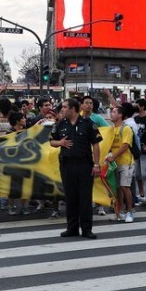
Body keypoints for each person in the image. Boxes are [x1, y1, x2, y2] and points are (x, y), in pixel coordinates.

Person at [50, 97, 102, 239]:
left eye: (65, 107)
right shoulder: (61, 124)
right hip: (67, 165)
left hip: (84, 165)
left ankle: (86, 229)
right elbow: (51, 142)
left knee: (85, 198)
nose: (62, 110)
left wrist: (96, 165)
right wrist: (60, 142)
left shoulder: (87, 124)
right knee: (70, 197)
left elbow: (96, 144)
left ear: (73, 109)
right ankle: (72, 228)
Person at [104, 103, 136, 223]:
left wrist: (113, 156)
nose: (111, 114)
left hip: (125, 162)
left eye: (114, 112)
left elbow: (125, 145)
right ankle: (119, 211)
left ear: (120, 115)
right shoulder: (111, 129)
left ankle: (130, 211)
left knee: (125, 187)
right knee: (117, 189)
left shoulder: (126, 128)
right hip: (114, 164)